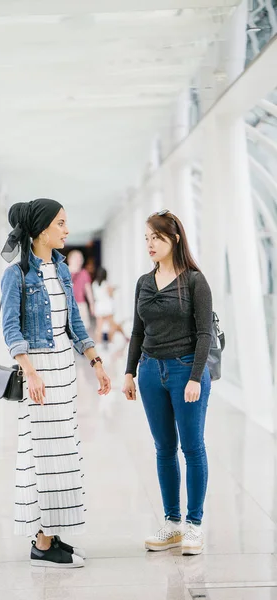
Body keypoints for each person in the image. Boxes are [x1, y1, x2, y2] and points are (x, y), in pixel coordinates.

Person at [1, 198, 111, 569]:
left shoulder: (61, 270)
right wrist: (30, 371)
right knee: (41, 456)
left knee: (61, 454)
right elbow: (11, 330)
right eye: (61, 223)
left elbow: (74, 323)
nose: (67, 230)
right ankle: (42, 544)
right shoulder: (16, 275)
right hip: (39, 372)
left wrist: (95, 360)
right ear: (42, 229)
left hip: (63, 368)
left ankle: (48, 534)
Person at [122, 209, 212, 556]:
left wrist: (194, 378)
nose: (149, 244)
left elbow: (204, 333)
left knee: (192, 448)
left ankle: (194, 525)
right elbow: (137, 330)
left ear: (173, 239)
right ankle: (172, 523)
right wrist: (130, 372)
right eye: (146, 238)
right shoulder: (144, 283)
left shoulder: (194, 281)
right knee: (163, 449)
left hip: (186, 369)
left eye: (155, 238)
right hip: (150, 373)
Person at [92, 267, 129, 345]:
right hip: (107, 306)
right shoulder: (106, 283)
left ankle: (98, 343)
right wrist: (113, 290)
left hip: (99, 306)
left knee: (99, 327)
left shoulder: (94, 284)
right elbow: (110, 295)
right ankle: (111, 341)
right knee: (111, 325)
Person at [67, 250, 95, 329]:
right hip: (67, 304)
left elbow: (88, 290)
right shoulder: (64, 271)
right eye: (76, 258)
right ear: (70, 259)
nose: (78, 261)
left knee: (83, 327)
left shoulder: (84, 273)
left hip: (81, 304)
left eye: (80, 259)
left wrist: (92, 304)